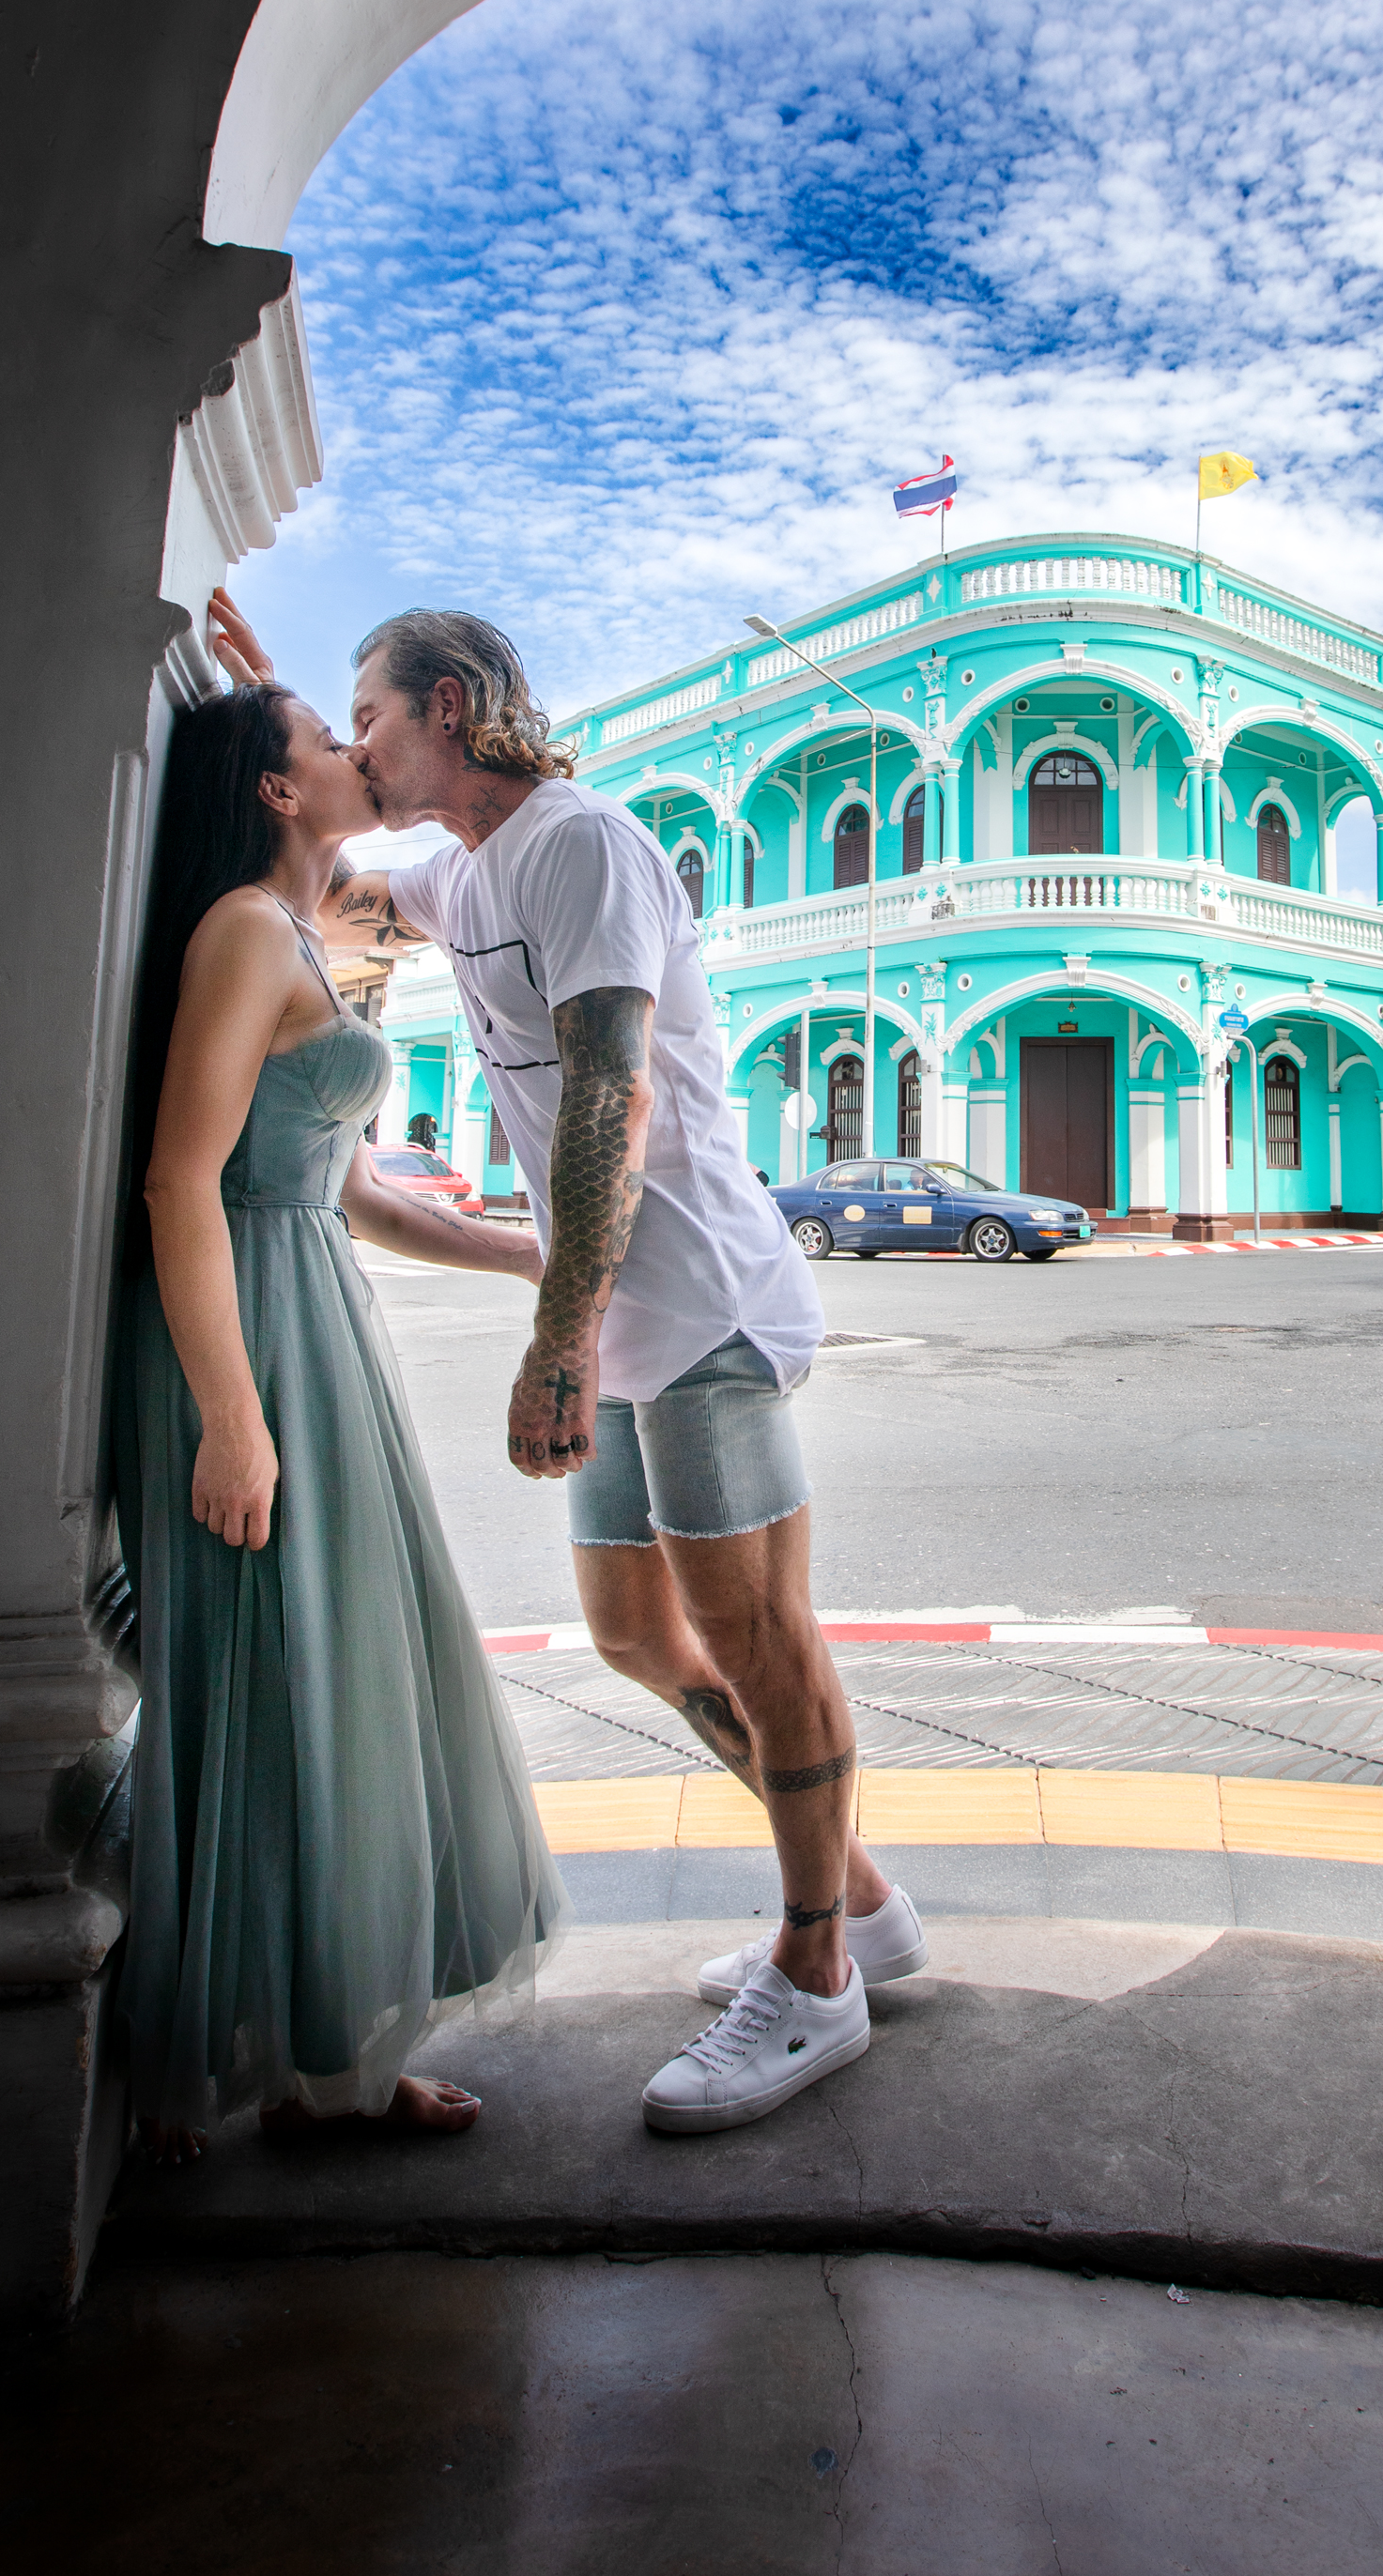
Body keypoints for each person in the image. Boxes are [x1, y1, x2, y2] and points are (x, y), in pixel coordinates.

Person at [208, 587, 927, 2135]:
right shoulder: (461, 872)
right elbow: (329, 862)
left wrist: (559, 1337)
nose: (359, 745)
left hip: (697, 1303)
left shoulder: (580, 844)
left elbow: (615, 1092)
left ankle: (816, 1976)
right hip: (614, 1319)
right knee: (635, 1635)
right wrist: (261, 704)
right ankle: (862, 1904)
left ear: (450, 707)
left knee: (758, 1637)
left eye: (371, 717)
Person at [117, 676, 566, 2163]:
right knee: (275, 1670)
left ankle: (324, 2060)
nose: (355, 747)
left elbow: (356, 1191)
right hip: (248, 1336)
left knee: (324, 1669)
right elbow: (182, 1180)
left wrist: (536, 1254)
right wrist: (230, 1420)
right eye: (327, 735)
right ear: (274, 788)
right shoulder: (247, 930)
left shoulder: (298, 930)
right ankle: (296, 2063)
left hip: (310, 1314)